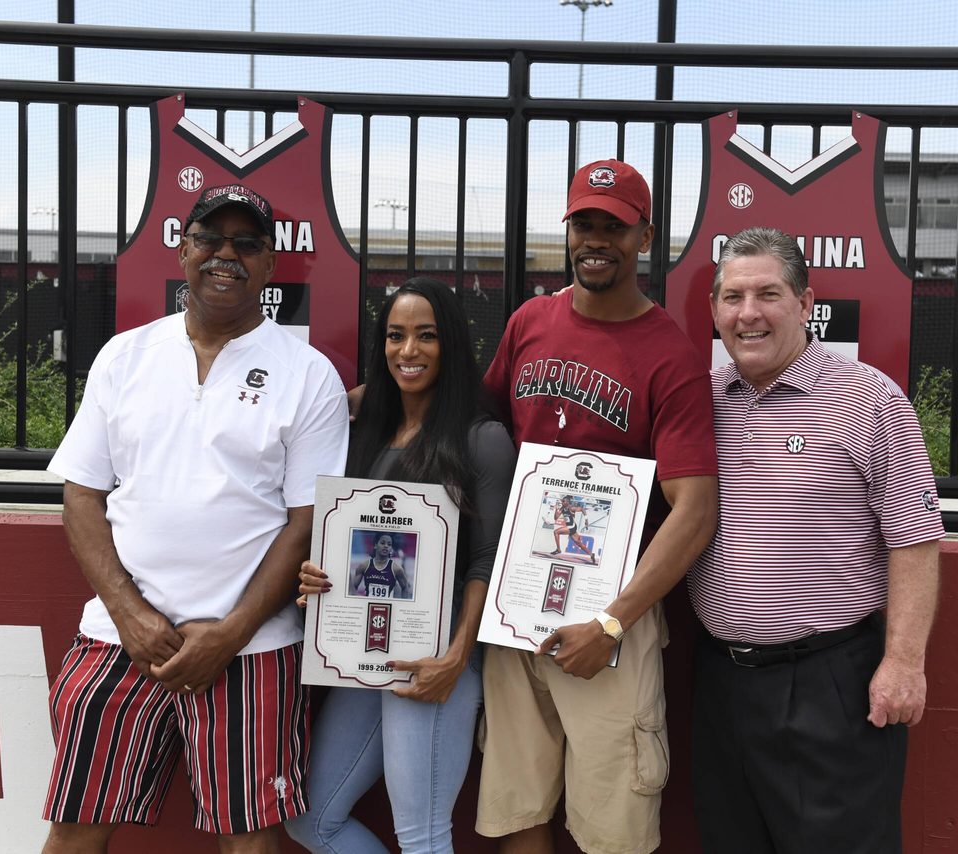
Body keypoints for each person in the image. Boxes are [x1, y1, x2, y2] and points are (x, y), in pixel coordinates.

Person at [39, 184, 349, 854]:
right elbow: (82, 495)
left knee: (250, 841)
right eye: (210, 238)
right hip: (116, 641)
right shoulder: (126, 356)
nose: (225, 255)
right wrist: (130, 615)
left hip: (252, 648)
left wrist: (230, 633)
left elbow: (306, 520)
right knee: (74, 828)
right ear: (183, 249)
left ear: (271, 263)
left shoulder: (308, 375)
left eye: (246, 243)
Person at [475, 160, 719, 854]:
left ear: (645, 236)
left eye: (614, 225)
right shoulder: (530, 321)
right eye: (585, 223)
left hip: (608, 612)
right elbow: (475, 420)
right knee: (517, 805)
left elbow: (695, 511)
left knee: (613, 827)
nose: (596, 239)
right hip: (517, 606)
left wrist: (613, 623)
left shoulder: (669, 352)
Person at [689, 227, 944, 854]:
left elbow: (913, 540)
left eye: (767, 294)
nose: (747, 314)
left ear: (806, 304)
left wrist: (904, 663)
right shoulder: (700, 403)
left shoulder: (868, 397)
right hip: (720, 686)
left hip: (834, 686)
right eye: (731, 297)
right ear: (714, 310)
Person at [285, 277, 516, 854]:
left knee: (423, 836)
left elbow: (489, 560)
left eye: (426, 336)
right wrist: (317, 576)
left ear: (452, 346)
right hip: (362, 654)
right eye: (395, 336)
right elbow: (344, 538)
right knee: (310, 819)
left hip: (436, 662)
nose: (408, 351)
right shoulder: (360, 433)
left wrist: (457, 657)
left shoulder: (481, 440)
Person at [350, 531, 413, 599]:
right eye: (382, 543)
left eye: (389, 544)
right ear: (375, 545)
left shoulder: (400, 562)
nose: (386, 546)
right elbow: (352, 591)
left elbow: (405, 587)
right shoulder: (364, 566)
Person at [551, 495, 595, 563]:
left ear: (567, 502)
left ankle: (558, 549)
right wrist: (557, 509)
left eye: (563, 501)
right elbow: (556, 518)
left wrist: (586, 519)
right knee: (579, 543)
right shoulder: (562, 509)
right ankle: (591, 554)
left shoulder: (571, 508)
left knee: (556, 532)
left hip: (572, 526)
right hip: (570, 527)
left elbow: (582, 509)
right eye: (562, 501)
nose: (562, 502)